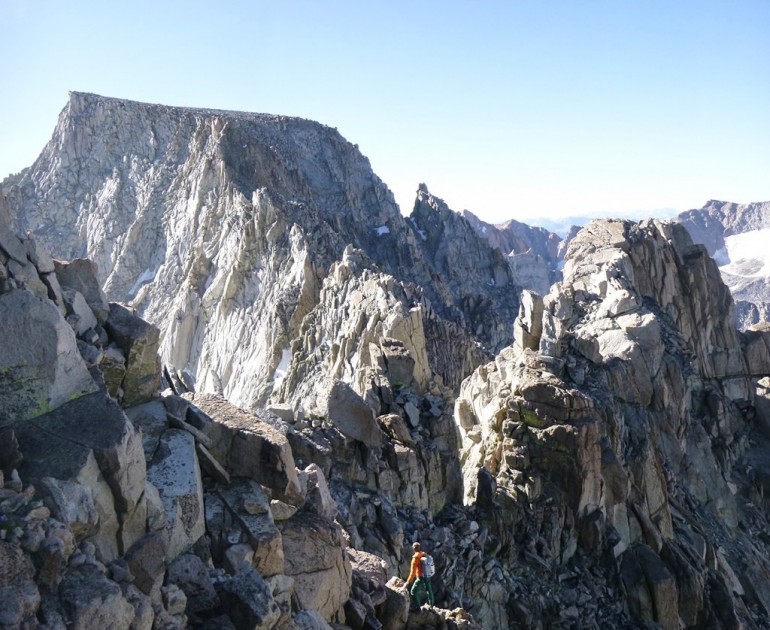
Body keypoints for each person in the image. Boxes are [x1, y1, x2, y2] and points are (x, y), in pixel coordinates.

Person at [404, 541, 434, 608]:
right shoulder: (423, 553)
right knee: (429, 590)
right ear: (419, 547)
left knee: (413, 592)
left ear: (413, 548)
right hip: (428, 576)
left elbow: (412, 572)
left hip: (420, 577)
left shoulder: (415, 559)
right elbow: (429, 558)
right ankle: (431, 605)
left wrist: (408, 582)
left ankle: (417, 607)